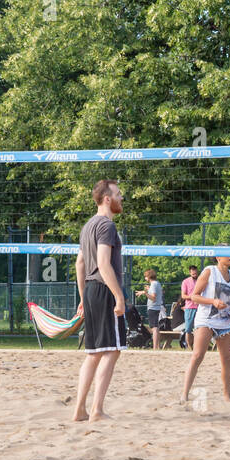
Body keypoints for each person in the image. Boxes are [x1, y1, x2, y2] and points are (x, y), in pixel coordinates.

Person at [73, 179, 126, 422]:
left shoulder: (87, 227)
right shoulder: (106, 226)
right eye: (118, 194)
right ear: (107, 199)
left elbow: (80, 264)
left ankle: (80, 409)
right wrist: (118, 296)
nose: (121, 198)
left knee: (93, 353)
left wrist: (83, 297)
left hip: (91, 291)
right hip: (105, 290)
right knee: (112, 351)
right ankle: (96, 410)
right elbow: (103, 264)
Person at [181, 251, 230, 404]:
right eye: (228, 254)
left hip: (225, 321)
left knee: (227, 359)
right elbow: (194, 296)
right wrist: (212, 301)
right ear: (219, 257)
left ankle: (227, 396)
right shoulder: (209, 271)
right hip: (206, 319)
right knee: (198, 355)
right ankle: (184, 394)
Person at [136, 268, 165, 349]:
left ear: (149, 277)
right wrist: (147, 290)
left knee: (154, 327)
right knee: (156, 327)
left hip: (153, 307)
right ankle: (157, 346)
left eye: (145, 276)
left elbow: (153, 298)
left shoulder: (154, 284)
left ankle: (155, 347)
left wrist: (145, 293)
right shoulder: (157, 283)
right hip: (156, 307)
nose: (145, 278)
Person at [179, 265, 200, 343]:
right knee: (188, 329)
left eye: (196, 273)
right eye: (193, 273)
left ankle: (197, 345)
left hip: (200, 308)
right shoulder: (185, 282)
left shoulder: (200, 280)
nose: (195, 274)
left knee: (199, 328)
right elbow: (183, 296)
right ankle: (189, 346)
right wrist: (192, 297)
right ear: (190, 273)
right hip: (190, 308)